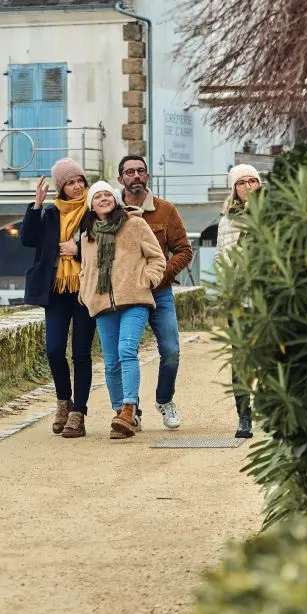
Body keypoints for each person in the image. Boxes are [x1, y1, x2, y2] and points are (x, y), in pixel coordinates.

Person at [79, 180, 167, 440]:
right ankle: (120, 414)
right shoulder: (87, 235)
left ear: (116, 199)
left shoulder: (135, 224)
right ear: (91, 205)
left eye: (108, 195)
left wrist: (146, 280)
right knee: (110, 363)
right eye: (97, 197)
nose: (103, 199)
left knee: (126, 349)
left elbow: (157, 258)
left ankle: (129, 407)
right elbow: (85, 269)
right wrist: (86, 294)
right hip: (102, 304)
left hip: (135, 300)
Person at [115, 154, 193, 429]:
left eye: (140, 171)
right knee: (124, 351)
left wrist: (159, 274)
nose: (136, 176)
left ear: (147, 176)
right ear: (120, 179)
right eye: (130, 172)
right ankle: (129, 409)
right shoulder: (111, 211)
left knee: (171, 350)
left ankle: (164, 399)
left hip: (159, 293)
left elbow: (184, 251)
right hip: (126, 296)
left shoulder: (165, 210)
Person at [21, 158, 96, 438]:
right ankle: (63, 402)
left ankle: (79, 412)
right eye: (70, 183)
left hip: (85, 290)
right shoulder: (52, 213)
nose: (77, 187)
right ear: (61, 188)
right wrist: (37, 205)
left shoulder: (94, 207)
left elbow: (106, 244)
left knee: (80, 353)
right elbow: (28, 239)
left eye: (79, 181)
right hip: (56, 290)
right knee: (53, 349)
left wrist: (76, 249)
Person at [217, 163, 263, 439]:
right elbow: (222, 257)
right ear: (234, 188)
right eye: (241, 182)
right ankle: (244, 416)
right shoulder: (226, 221)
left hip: (267, 296)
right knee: (242, 358)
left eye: (252, 181)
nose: (248, 186)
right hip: (239, 298)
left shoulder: (273, 214)